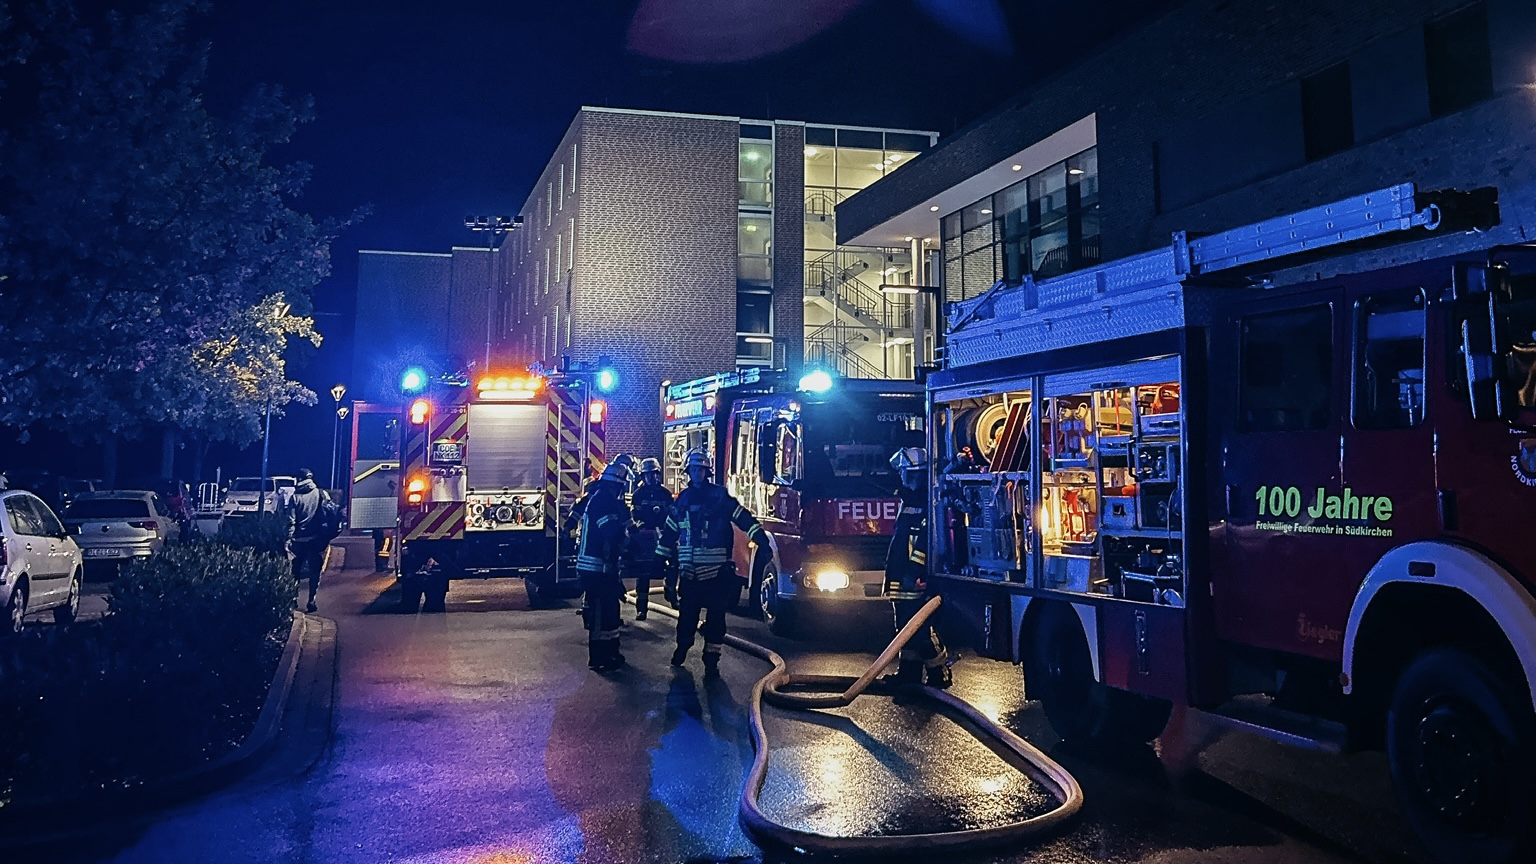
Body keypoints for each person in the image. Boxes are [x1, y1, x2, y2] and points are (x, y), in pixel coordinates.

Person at [655, 448, 766, 678]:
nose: (697, 473)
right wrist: (660, 556)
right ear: (688, 471)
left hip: (716, 574)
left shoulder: (720, 497)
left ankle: (712, 660)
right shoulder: (682, 500)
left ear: (707, 472)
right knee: (686, 619)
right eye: (694, 469)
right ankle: (682, 648)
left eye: (701, 470)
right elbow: (670, 531)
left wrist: (758, 535)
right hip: (689, 573)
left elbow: (742, 516)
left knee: (716, 621)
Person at [884, 447, 950, 688]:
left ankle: (939, 672)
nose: (906, 478)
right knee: (905, 630)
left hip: (914, 579)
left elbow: (925, 544)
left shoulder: (925, 503)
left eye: (908, 474)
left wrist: (914, 572)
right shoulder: (909, 500)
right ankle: (909, 674)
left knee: (920, 629)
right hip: (902, 578)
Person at [576, 459, 632, 671]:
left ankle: (611, 652)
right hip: (595, 569)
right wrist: (629, 546)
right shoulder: (602, 502)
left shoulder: (607, 500)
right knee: (601, 613)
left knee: (610, 611)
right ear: (615, 484)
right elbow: (612, 533)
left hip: (603, 568)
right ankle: (599, 658)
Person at [626, 457, 673, 621]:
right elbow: (635, 516)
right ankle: (641, 609)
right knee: (644, 572)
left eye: (654, 474)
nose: (651, 477)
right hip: (646, 537)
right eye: (648, 475)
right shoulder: (638, 495)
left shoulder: (666, 494)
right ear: (642, 476)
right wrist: (642, 528)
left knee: (673, 565)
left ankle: (671, 593)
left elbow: (672, 515)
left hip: (665, 536)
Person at [287, 469, 328, 613]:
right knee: (315, 571)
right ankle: (312, 600)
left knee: (295, 572)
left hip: (299, 540)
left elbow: (291, 521)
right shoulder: (320, 493)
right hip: (317, 539)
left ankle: (293, 599)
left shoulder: (295, 497)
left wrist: (289, 539)